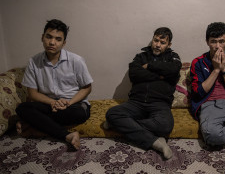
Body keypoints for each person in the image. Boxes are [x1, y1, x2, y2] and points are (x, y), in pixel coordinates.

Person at [105, 27, 182, 159]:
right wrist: (160, 76)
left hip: (160, 103)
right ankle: (156, 142)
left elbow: (174, 70)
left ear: (169, 45)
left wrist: (149, 66)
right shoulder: (141, 56)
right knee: (112, 113)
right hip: (136, 102)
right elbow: (134, 73)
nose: (157, 45)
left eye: (162, 42)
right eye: (155, 40)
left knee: (165, 126)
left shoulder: (173, 57)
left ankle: (123, 124)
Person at [16, 19, 93, 150]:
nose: (52, 42)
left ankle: (36, 123)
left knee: (79, 114)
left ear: (64, 43)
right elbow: (32, 93)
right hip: (49, 104)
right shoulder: (33, 62)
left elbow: (87, 87)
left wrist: (69, 102)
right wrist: (52, 102)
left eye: (58, 39)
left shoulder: (76, 60)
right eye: (48, 37)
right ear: (42, 37)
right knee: (22, 108)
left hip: (73, 105)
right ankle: (67, 135)